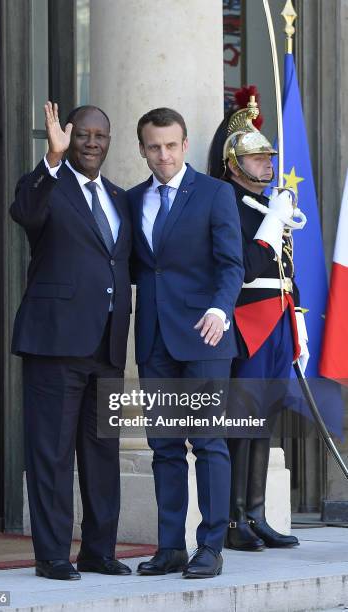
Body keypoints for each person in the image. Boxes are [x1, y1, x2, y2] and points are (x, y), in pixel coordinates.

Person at [10, 102, 132, 580]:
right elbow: (24, 211)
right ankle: (54, 555)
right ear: (65, 135)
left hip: (107, 346)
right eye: (83, 134)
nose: (92, 143)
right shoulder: (46, 185)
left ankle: (99, 551)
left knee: (103, 455)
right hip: (55, 343)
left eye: (100, 135)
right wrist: (52, 161)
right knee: (52, 453)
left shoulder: (121, 197)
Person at [128, 107, 244, 579]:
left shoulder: (215, 194)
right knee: (165, 447)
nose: (163, 155)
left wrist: (220, 309)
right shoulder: (133, 199)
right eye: (154, 147)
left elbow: (231, 264)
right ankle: (170, 547)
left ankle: (211, 547)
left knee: (209, 442)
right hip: (155, 338)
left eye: (171, 146)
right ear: (142, 150)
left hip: (204, 337)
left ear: (185, 145)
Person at [208, 88, 309, 551]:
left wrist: (299, 321)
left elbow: (286, 268)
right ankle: (232, 522)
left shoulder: (268, 202)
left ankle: (256, 513)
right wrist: (273, 222)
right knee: (240, 422)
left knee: (264, 421)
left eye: (268, 157)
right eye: (257, 158)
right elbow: (244, 265)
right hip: (248, 318)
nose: (268, 164)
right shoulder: (225, 201)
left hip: (279, 319)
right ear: (233, 163)